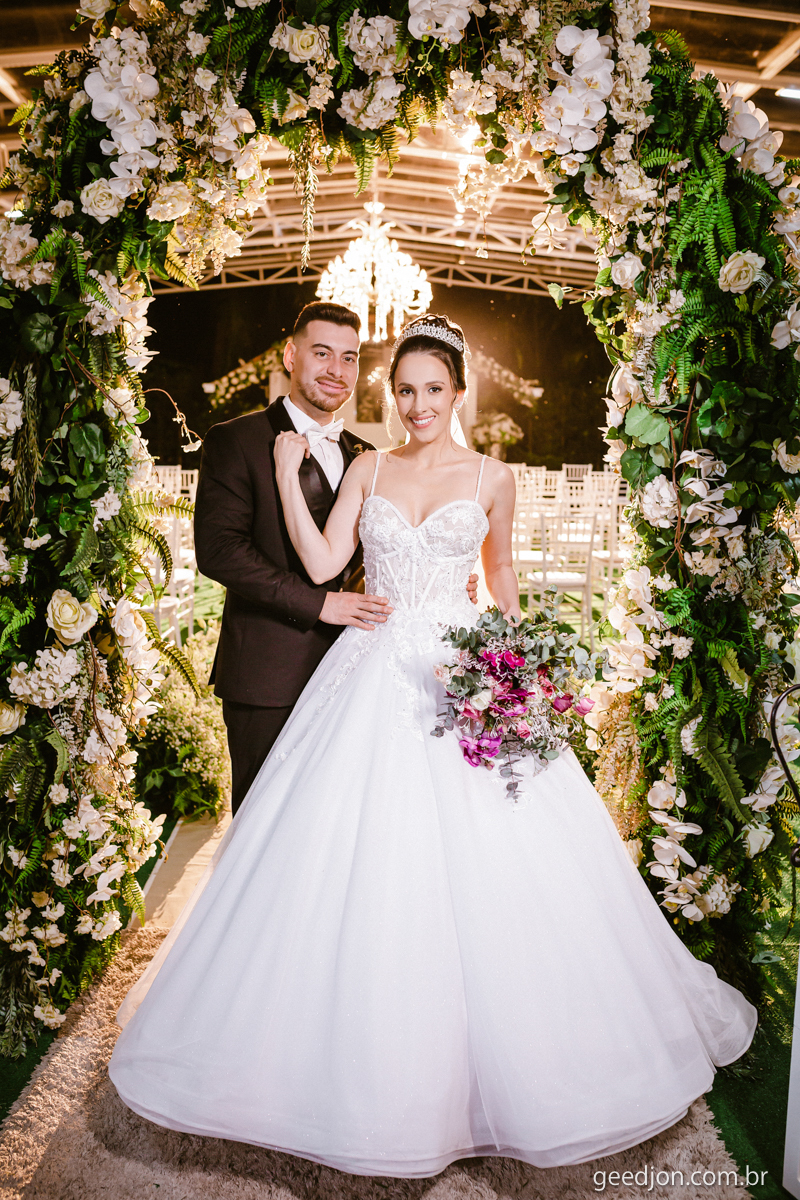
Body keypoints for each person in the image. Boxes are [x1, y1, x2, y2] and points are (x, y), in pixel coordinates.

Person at [110, 314, 757, 1178]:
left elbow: (500, 573)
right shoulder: (368, 466)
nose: (417, 405)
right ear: (393, 395)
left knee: (501, 856)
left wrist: (517, 661)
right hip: (369, 668)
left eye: (433, 390)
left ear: (458, 392)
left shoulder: (494, 476)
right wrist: (283, 472)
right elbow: (321, 565)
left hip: (460, 670)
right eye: (404, 390)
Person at [194, 300, 476, 814]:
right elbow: (220, 552)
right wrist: (319, 604)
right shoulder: (236, 440)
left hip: (357, 674)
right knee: (264, 824)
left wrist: (441, 575)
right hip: (270, 674)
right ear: (290, 355)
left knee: (340, 827)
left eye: (349, 358)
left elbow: (377, 549)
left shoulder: (363, 453)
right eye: (322, 353)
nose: (336, 370)